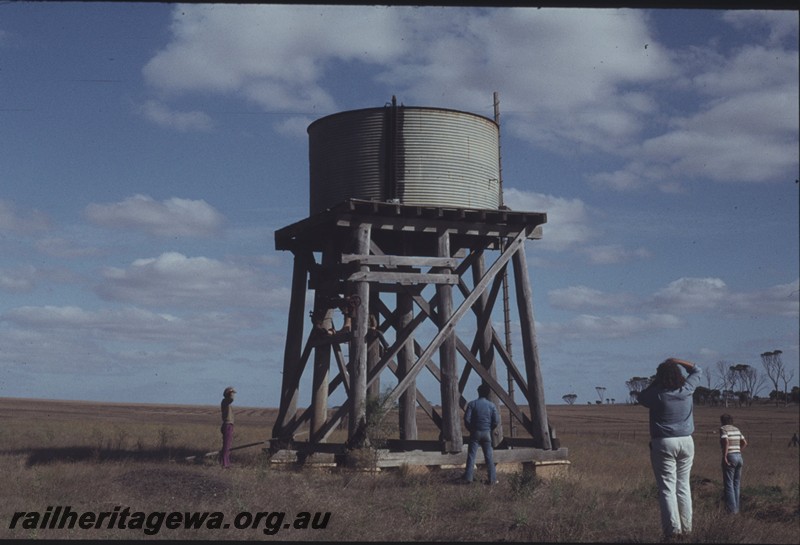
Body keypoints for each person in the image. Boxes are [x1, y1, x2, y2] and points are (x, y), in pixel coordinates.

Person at [638, 358, 703, 540]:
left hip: (664, 442)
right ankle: (687, 529)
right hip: (687, 441)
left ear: (660, 377)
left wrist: (656, 381)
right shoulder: (687, 390)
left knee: (667, 489)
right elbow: (698, 370)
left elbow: (641, 396)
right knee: (683, 486)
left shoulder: (658, 394)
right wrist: (677, 361)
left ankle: (673, 532)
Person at [461, 383, 500, 484]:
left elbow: (466, 419)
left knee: (471, 455)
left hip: (475, 432)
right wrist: (489, 428)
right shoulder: (492, 405)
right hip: (487, 432)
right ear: (487, 394)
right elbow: (496, 420)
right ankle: (492, 479)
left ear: (478, 392)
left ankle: (468, 478)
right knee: (489, 456)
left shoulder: (472, 404)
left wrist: (471, 429)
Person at [719, 414, 747, 514]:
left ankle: (732, 511)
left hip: (730, 456)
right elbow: (744, 442)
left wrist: (725, 456)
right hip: (739, 457)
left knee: (729, 484)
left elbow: (726, 441)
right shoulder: (736, 429)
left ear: (722, 421)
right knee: (736, 484)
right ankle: (737, 509)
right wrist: (738, 451)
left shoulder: (723, 428)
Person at [220, 386, 236, 468]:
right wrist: (231, 392)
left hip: (228, 425)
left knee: (228, 445)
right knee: (226, 446)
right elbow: (231, 399)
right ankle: (225, 464)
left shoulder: (226, 402)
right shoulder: (225, 401)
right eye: (232, 393)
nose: (233, 395)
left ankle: (226, 462)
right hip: (227, 425)